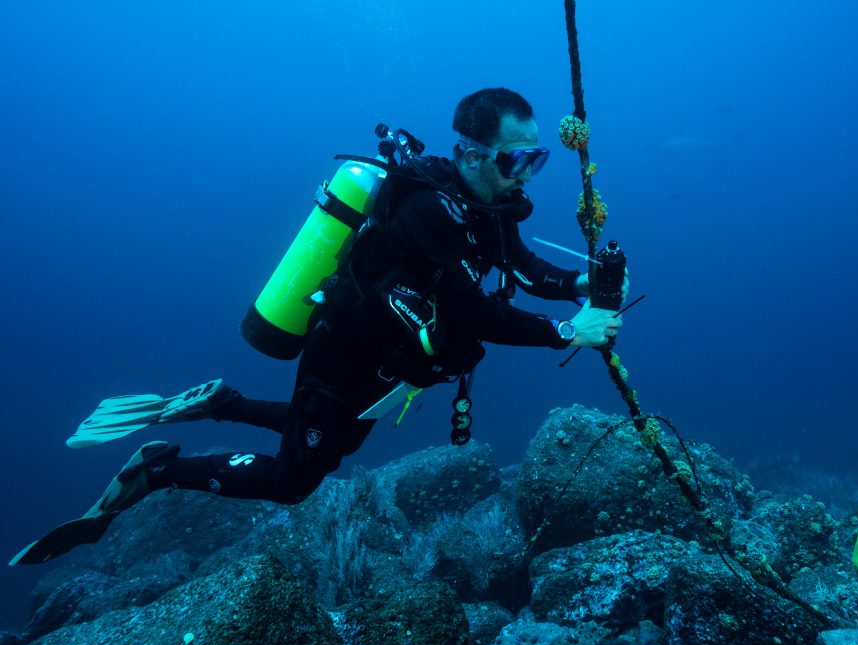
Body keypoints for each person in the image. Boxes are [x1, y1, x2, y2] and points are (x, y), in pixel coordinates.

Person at [10, 87, 624, 565]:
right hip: (347, 351)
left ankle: (223, 402)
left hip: (390, 363)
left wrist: (578, 286)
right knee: (293, 479)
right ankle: (159, 471)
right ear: (469, 151)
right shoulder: (427, 211)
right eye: (518, 158)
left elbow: (525, 265)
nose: (527, 173)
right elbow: (476, 313)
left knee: (337, 435)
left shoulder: (489, 205)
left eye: (537, 158)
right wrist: (568, 332)